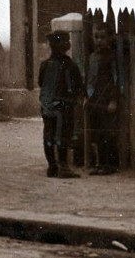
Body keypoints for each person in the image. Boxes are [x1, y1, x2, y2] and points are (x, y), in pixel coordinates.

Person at [38, 29, 85, 178]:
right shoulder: (70, 65)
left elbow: (40, 82)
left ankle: (52, 166)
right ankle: (63, 166)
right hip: (64, 107)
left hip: (47, 106)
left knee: (49, 135)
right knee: (63, 135)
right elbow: (78, 84)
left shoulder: (45, 65)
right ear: (66, 45)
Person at [82, 19, 120, 175]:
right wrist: (87, 97)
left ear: (109, 38)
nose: (99, 41)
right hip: (94, 100)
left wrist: (114, 99)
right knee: (96, 133)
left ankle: (109, 165)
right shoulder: (92, 57)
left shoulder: (112, 58)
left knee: (107, 133)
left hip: (107, 100)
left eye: (102, 37)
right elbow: (89, 79)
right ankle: (99, 163)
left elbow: (118, 79)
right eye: (96, 37)